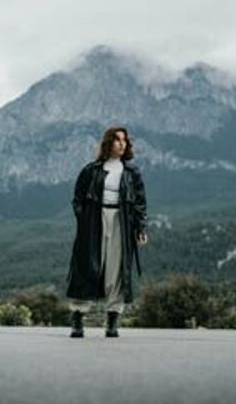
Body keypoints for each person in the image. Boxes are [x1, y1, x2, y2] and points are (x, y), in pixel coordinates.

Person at [65, 126, 148, 338]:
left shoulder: (132, 172)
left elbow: (140, 203)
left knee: (116, 269)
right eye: (118, 139)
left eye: (125, 140)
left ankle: (112, 320)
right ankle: (77, 318)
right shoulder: (91, 170)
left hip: (122, 221)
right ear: (108, 143)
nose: (122, 144)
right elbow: (78, 199)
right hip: (94, 221)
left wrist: (140, 227)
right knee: (87, 267)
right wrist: (84, 220)